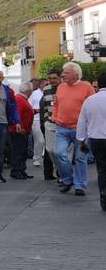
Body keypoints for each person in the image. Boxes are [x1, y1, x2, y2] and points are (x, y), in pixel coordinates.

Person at [53, 61, 97, 196]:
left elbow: (92, 106)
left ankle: (80, 185)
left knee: (80, 158)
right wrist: (55, 117)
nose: (62, 75)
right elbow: (56, 104)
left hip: (80, 129)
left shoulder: (87, 87)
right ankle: (67, 180)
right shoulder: (60, 87)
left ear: (76, 74)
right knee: (59, 153)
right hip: (62, 127)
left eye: (66, 72)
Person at [75, 72, 106, 212]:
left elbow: (82, 121)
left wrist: (81, 139)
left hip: (96, 138)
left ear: (98, 85)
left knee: (102, 169)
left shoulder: (90, 100)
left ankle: (103, 196)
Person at [9, 84, 36, 179]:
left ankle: (21, 170)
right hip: (20, 131)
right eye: (31, 91)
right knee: (18, 151)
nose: (32, 92)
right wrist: (19, 128)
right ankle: (16, 171)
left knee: (22, 151)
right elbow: (17, 115)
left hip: (23, 130)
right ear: (28, 91)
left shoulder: (21, 99)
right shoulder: (20, 99)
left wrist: (34, 111)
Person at [40, 70, 61, 179]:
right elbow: (43, 108)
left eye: (54, 78)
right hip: (50, 124)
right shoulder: (46, 90)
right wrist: (44, 122)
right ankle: (49, 173)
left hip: (62, 125)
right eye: (50, 78)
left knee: (60, 151)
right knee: (50, 150)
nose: (52, 81)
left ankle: (60, 173)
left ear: (60, 78)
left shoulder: (64, 89)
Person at [28, 77, 45, 168]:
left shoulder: (48, 93)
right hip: (36, 119)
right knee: (40, 140)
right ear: (41, 84)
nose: (47, 86)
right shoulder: (34, 94)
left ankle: (46, 158)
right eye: (45, 84)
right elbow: (28, 105)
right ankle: (37, 158)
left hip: (47, 119)